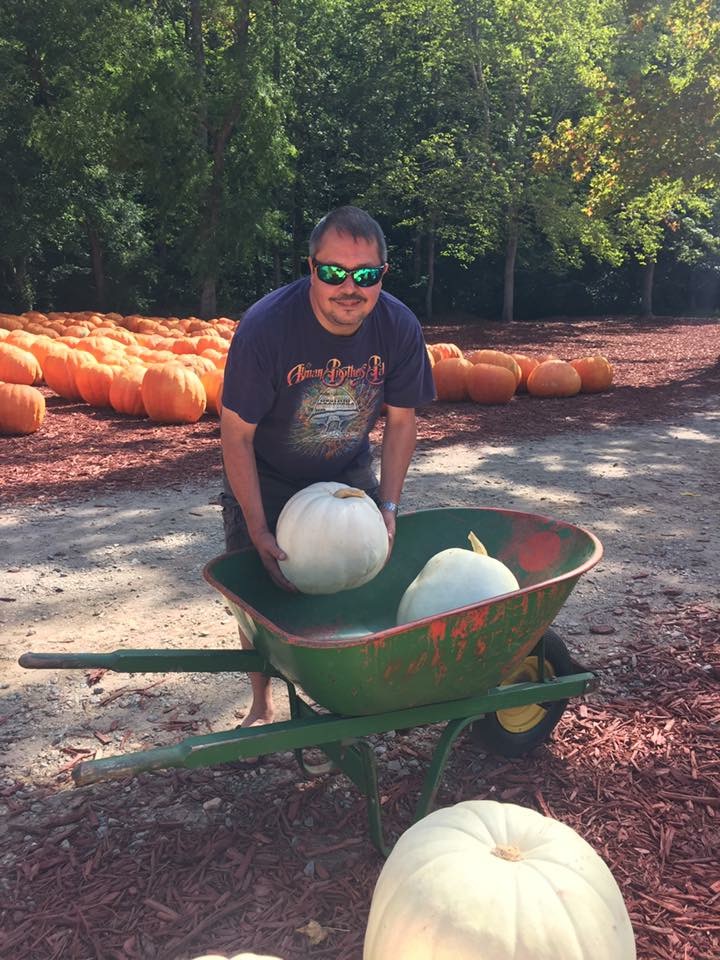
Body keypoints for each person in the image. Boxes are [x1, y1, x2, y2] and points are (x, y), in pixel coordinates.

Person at [220, 205, 435, 725]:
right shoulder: (267, 328)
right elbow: (236, 434)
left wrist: (388, 502)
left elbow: (402, 424)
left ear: (382, 274)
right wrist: (255, 526)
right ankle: (262, 705)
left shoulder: (398, 327)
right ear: (310, 267)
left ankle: (338, 700)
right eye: (334, 271)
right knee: (262, 605)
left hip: (345, 474)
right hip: (268, 474)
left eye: (365, 274)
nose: (349, 287)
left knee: (356, 583)